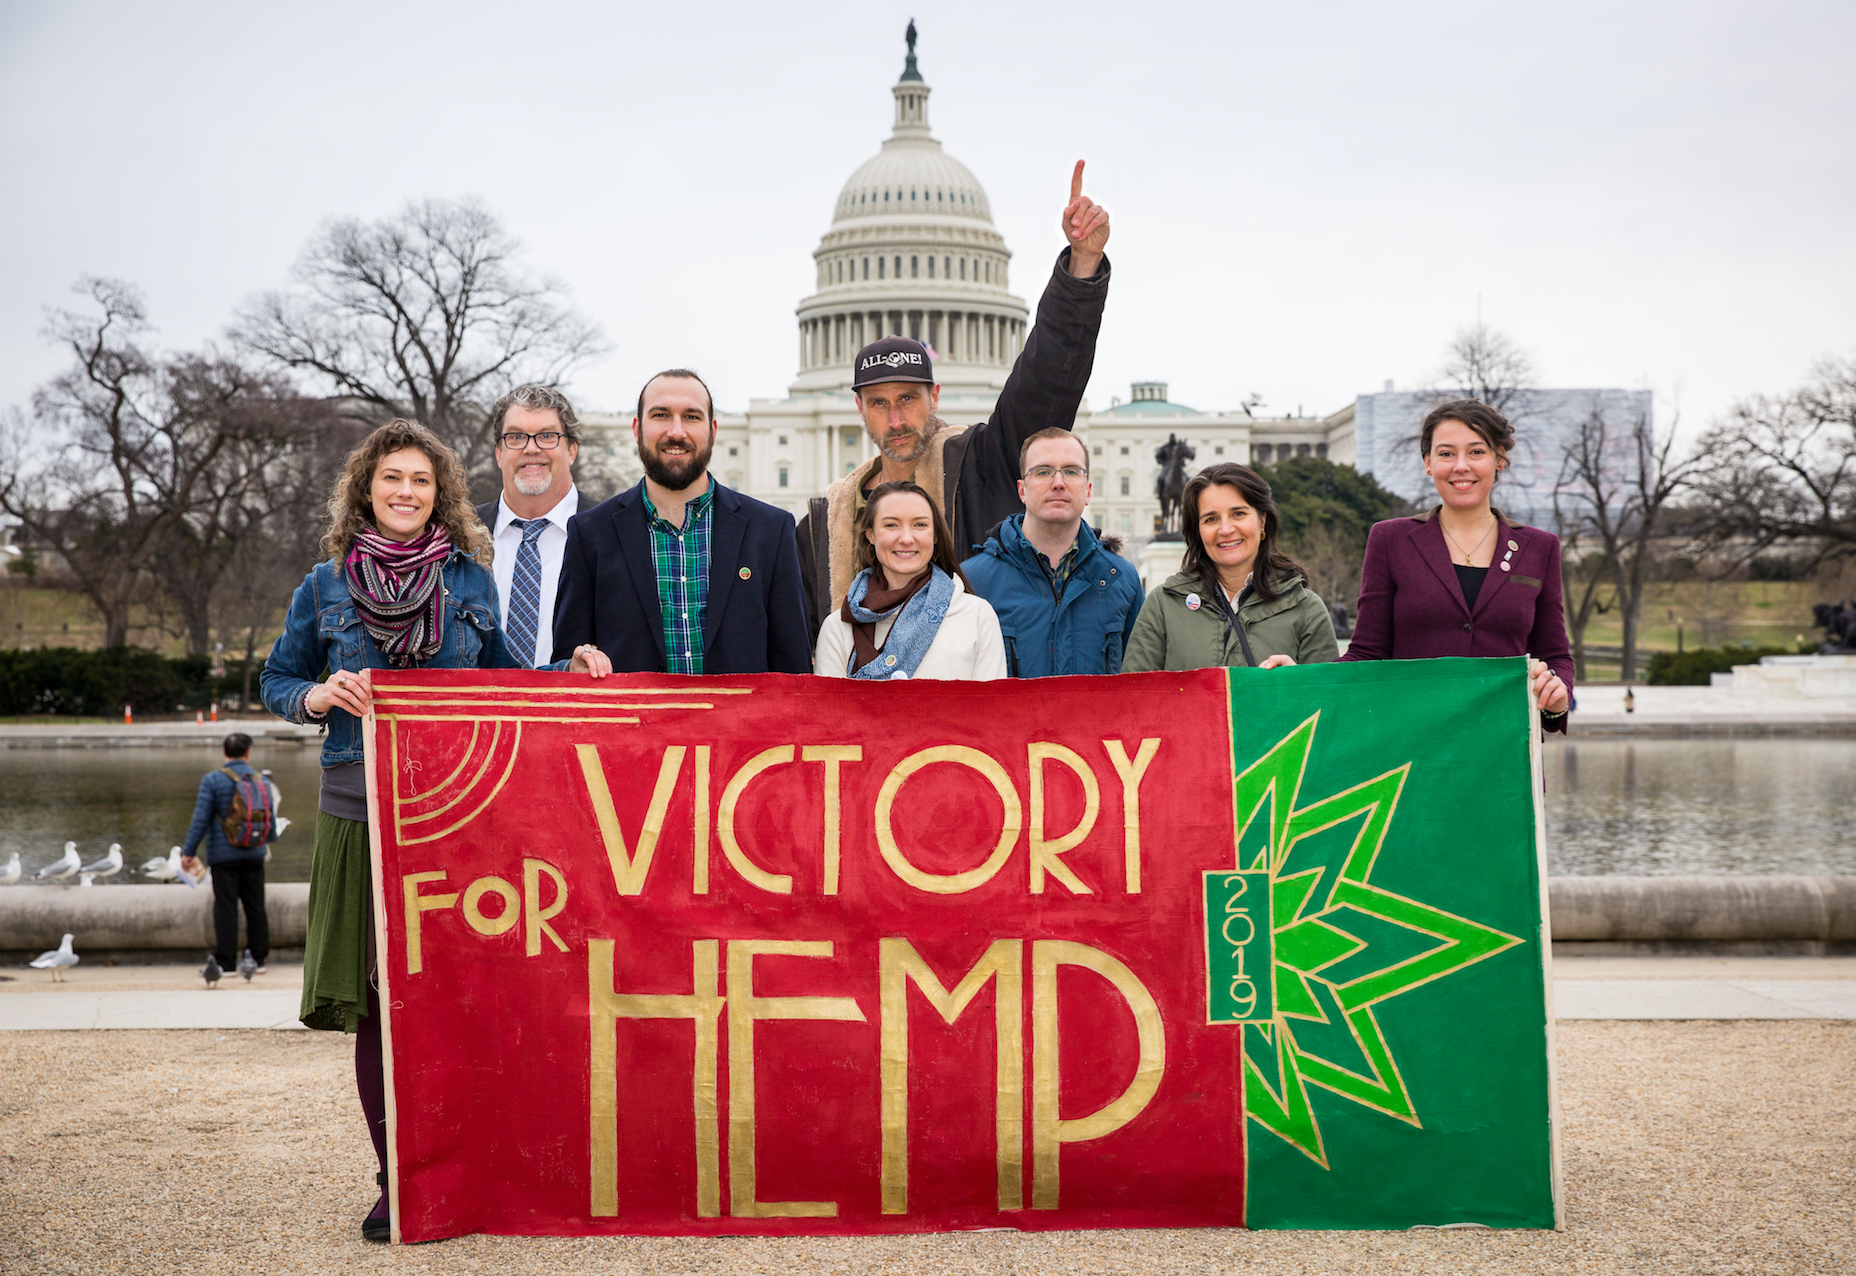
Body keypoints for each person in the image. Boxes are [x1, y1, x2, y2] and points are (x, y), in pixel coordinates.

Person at [260, 418, 602, 1243]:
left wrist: (567, 671)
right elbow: (278, 678)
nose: (406, 492)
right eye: (392, 479)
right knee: (380, 1003)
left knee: (459, 997)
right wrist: (317, 696)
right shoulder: (325, 585)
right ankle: (397, 1178)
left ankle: (467, 1163)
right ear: (366, 490)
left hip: (456, 813)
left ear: (438, 491)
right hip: (358, 805)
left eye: (420, 479)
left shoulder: (471, 581)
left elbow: (506, 684)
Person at [797, 161, 1113, 635]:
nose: (896, 418)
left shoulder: (980, 470)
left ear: (935, 397)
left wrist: (1081, 267)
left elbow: (1047, 380)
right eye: (879, 403)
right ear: (859, 408)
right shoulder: (821, 527)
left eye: (908, 398)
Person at [550, 369, 811, 674]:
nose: (676, 432)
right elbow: (569, 661)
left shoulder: (771, 531)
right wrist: (575, 664)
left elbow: (794, 670)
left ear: (713, 430)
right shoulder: (590, 533)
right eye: (660, 415)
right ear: (637, 429)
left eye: (691, 417)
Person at [1341, 398, 1574, 730]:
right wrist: (1297, 677)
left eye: (1476, 452)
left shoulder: (1540, 548)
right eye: (1446, 454)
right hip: (1410, 742)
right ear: (1428, 463)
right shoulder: (1390, 540)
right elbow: (1366, 654)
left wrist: (1557, 693)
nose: (1461, 466)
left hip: (1506, 743)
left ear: (1499, 459)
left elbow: (1555, 656)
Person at [1122, 463, 1339, 672]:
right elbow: (1133, 693)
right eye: (1211, 519)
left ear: (1262, 521)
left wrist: (1297, 683)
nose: (1225, 530)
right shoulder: (1163, 606)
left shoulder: (1306, 608)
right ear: (1198, 531)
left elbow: (1330, 695)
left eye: (1238, 514)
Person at [961, 427, 1143, 675]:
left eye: (1071, 471)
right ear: (1022, 490)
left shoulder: (1122, 579)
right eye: (1043, 472)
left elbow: (1141, 681)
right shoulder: (972, 581)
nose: (1058, 483)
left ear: (1088, 490)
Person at [815, 481, 1007, 680]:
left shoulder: (976, 616)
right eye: (891, 525)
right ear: (871, 535)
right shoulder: (838, 628)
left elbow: (991, 700)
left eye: (920, 525)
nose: (906, 539)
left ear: (935, 535)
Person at [475, 385, 583, 669]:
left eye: (547, 436)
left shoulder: (611, 533)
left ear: (571, 451)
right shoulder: (457, 534)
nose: (531, 448)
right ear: (499, 453)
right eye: (516, 437)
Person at [179, 732, 276, 977]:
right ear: (248, 753)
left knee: (226, 907)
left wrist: (189, 852)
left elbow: (200, 819)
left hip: (223, 856)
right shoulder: (262, 781)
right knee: (256, 906)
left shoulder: (213, 780)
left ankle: (227, 962)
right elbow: (270, 821)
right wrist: (264, 841)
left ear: (224, 752)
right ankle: (258, 959)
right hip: (254, 853)